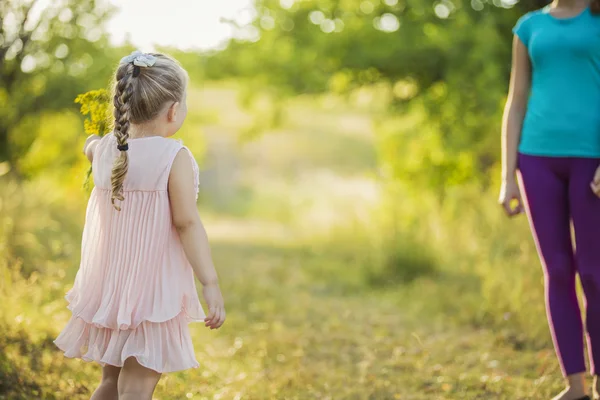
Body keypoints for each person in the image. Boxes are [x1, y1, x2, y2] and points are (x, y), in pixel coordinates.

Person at [54, 51, 226, 400]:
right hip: (152, 294)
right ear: (173, 110)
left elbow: (89, 145)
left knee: (110, 382)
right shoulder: (173, 157)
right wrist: (209, 282)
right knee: (137, 387)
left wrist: (93, 142)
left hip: (111, 289)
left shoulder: (104, 150)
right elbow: (187, 223)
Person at [500, 0, 600, 399]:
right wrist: (508, 176)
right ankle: (574, 384)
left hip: (591, 158)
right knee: (558, 270)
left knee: (594, 273)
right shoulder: (529, 26)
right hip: (537, 158)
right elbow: (517, 97)